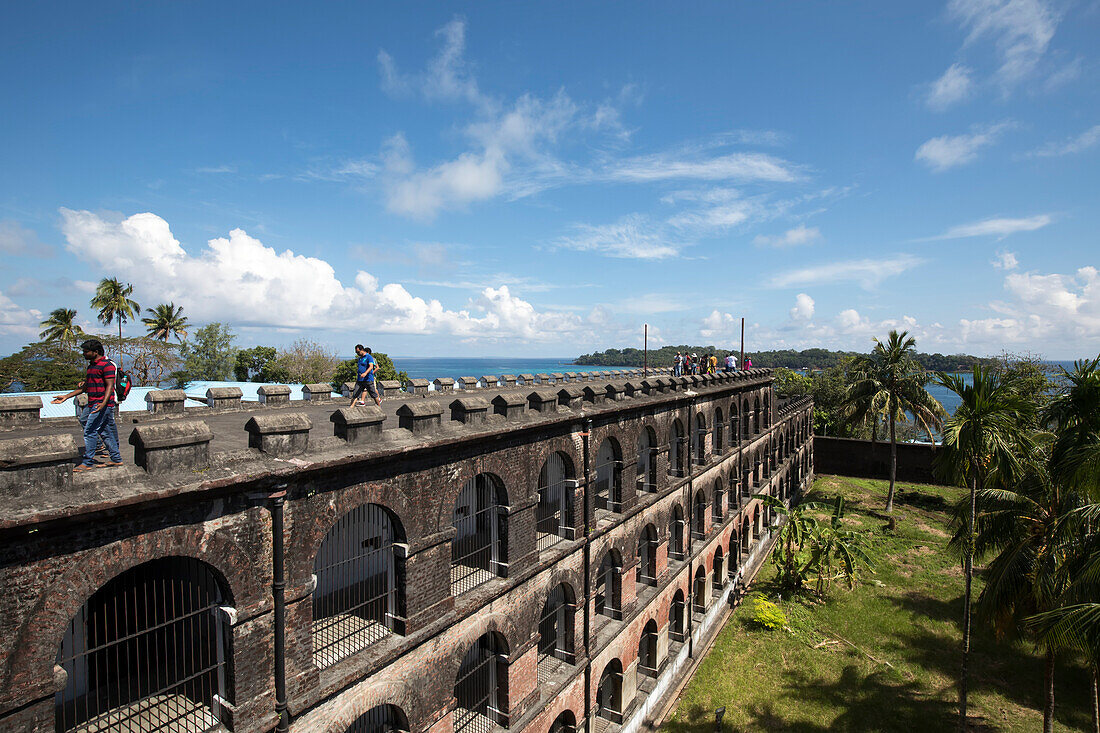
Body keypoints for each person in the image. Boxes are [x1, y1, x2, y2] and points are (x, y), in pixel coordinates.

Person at [52, 339, 123, 472]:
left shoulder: (107, 365)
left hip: (102, 404)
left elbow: (109, 386)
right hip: (94, 403)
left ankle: (88, 462)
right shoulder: (91, 366)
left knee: (90, 431)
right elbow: (86, 387)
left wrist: (103, 404)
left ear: (95, 352)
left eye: (86, 351)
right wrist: (66, 397)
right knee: (104, 431)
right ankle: (116, 459)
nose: (84, 354)